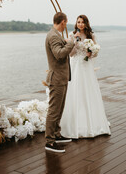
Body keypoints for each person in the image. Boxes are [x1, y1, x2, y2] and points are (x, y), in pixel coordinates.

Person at [60, 15, 111, 138]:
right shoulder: (72, 36)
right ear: (76, 24)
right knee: (76, 92)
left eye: (83, 22)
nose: (80, 24)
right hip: (76, 66)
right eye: (78, 22)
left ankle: (93, 123)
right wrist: (75, 43)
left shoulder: (91, 36)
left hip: (87, 67)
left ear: (86, 24)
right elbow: (71, 54)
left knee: (89, 92)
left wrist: (91, 53)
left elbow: (95, 52)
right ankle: (75, 124)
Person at [45, 12, 75, 153]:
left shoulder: (56, 35)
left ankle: (57, 134)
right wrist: (71, 44)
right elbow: (59, 54)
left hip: (61, 78)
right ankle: (50, 142)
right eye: (66, 22)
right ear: (62, 22)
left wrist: (67, 42)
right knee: (53, 110)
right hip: (56, 78)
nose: (66, 25)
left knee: (59, 108)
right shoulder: (53, 36)